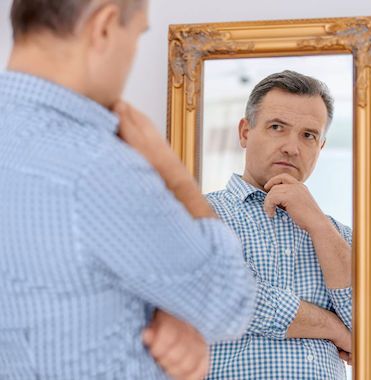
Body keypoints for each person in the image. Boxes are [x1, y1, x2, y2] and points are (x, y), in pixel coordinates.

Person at [0, 1, 255, 379]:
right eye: (137, 35)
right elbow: (228, 302)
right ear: (103, 26)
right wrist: (173, 173)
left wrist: (166, 306)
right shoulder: (98, 166)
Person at [199, 70, 354, 378]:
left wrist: (319, 225)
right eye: (277, 127)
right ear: (245, 132)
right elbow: (228, 295)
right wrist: (332, 327)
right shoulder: (198, 213)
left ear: (320, 147)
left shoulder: (342, 237)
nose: (292, 147)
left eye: (308, 135)